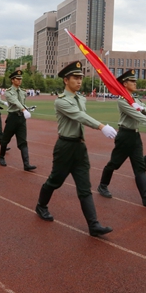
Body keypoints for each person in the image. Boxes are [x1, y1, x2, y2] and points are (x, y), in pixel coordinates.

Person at [35, 61, 116, 237]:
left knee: (84, 187)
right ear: (66, 80)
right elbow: (79, 116)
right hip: (65, 147)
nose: (79, 81)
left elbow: (82, 115)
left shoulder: (81, 98)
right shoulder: (61, 101)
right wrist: (101, 126)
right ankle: (41, 206)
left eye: (81, 78)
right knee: (55, 181)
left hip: (79, 147)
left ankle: (93, 225)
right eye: (75, 78)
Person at [97, 69, 146, 206]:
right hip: (125, 136)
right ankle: (103, 185)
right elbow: (136, 115)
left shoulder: (135, 99)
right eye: (132, 81)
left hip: (135, 136)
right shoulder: (122, 101)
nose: (135, 83)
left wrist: (141, 107)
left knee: (140, 167)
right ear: (125, 84)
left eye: (135, 81)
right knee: (114, 163)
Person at [0, 70, 36, 171]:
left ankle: (26, 164)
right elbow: (15, 102)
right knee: (5, 139)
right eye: (17, 79)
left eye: (20, 79)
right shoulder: (8, 92)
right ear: (12, 80)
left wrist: (27, 108)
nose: (20, 81)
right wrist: (24, 110)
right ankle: (1, 157)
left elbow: (22, 103)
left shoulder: (22, 92)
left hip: (21, 119)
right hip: (12, 118)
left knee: (23, 141)